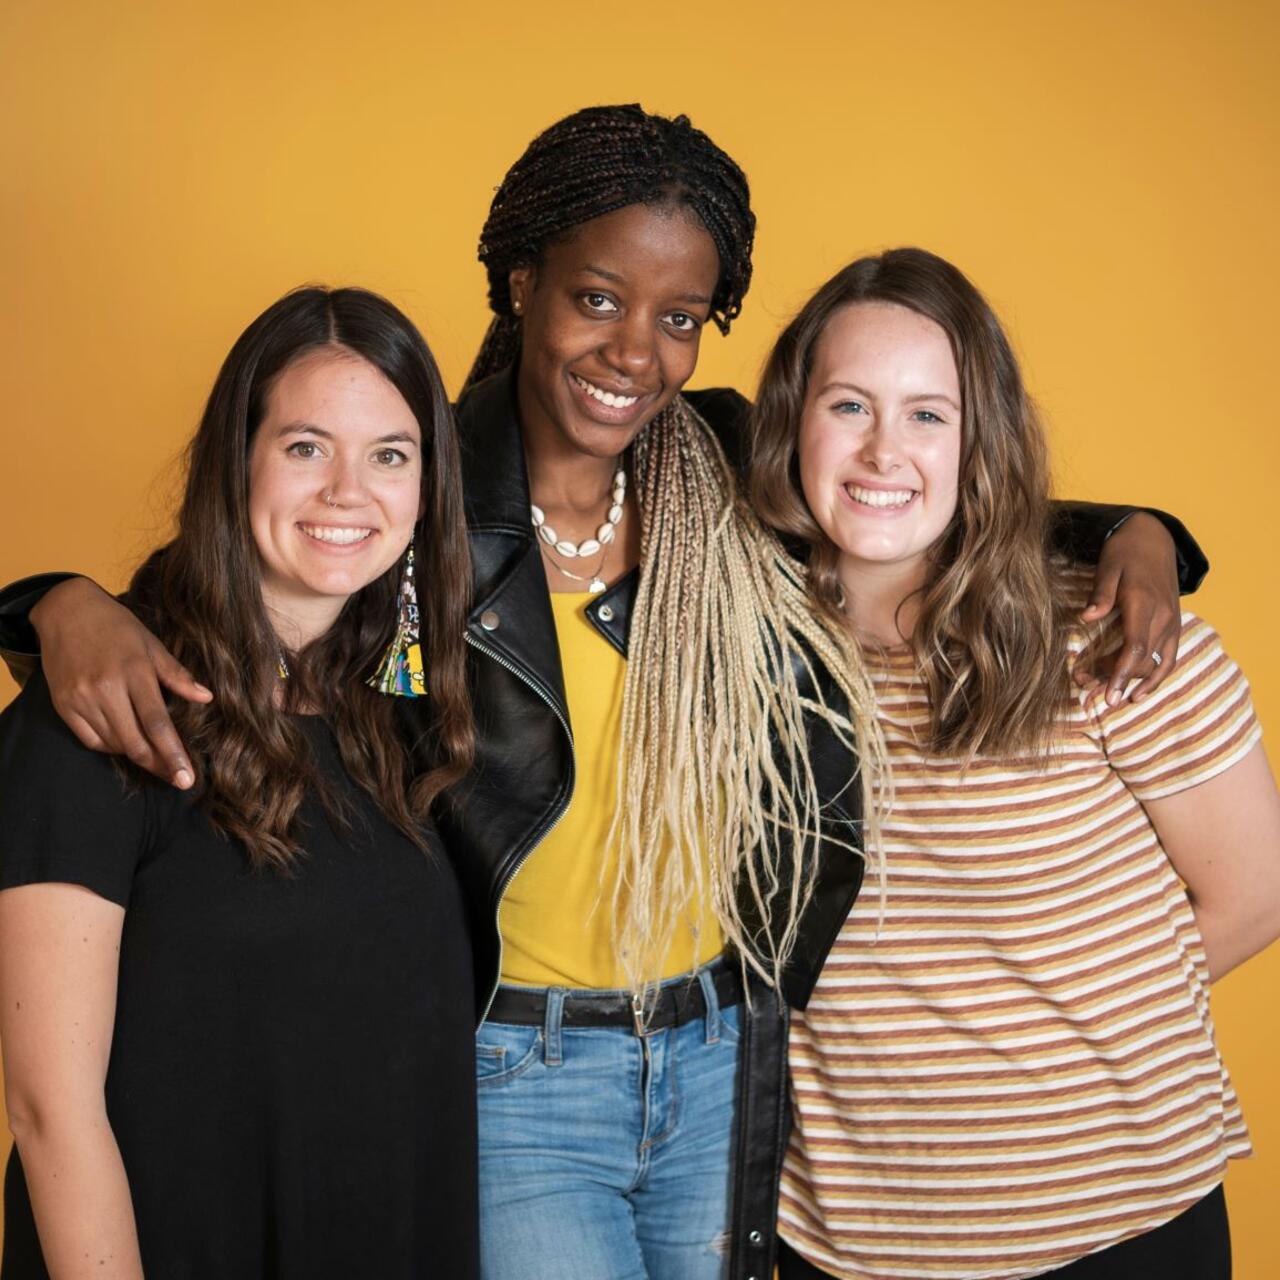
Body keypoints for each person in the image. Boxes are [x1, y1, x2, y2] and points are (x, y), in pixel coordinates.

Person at [0, 106, 1208, 1279]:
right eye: (595, 298)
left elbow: (922, 501)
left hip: (719, 1054)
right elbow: (237, 590)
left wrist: (1134, 532)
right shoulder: (424, 499)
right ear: (520, 284)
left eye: (679, 317)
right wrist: (53, 603)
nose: (636, 351)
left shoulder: (730, 470)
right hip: (519, 1065)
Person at [746, 247, 1280, 1280]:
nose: (881, 451)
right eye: (847, 405)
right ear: (790, 421)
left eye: (926, 415)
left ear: (976, 438)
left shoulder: (1111, 637)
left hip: (1114, 1223)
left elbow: (1252, 897)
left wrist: (1028, 1043)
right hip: (846, 1242)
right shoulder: (740, 639)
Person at [0, 287, 480, 1278]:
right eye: (305, 445)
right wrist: (56, 604)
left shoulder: (402, 715)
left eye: (390, 453)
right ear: (238, 460)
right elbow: (52, 1112)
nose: (349, 492)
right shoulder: (95, 718)